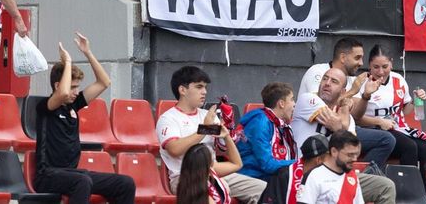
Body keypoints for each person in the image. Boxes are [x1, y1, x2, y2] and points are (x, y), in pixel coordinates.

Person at [35, 33, 135, 204]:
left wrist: (87, 53)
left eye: (77, 87)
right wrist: (67, 62)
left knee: (125, 183)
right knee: (82, 182)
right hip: (47, 175)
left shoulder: (74, 105)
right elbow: (64, 93)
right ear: (58, 85)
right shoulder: (46, 106)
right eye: (73, 87)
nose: (75, 92)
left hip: (72, 174)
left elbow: (104, 82)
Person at [158, 66, 267, 204]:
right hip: (185, 177)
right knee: (219, 187)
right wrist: (205, 129)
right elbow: (174, 149)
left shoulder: (208, 116)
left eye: (205, 87)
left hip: (214, 171)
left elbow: (225, 152)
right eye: (199, 87)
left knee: (263, 189)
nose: (204, 92)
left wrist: (227, 136)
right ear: (182, 90)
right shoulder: (168, 118)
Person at [358, 46, 426, 169]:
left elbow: (404, 111)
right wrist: (379, 122)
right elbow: (356, 118)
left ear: (391, 64)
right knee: (409, 146)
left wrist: (415, 101)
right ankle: (406, 187)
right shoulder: (362, 83)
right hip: (373, 130)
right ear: (369, 66)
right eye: (376, 67)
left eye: (385, 67)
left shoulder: (398, 79)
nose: (381, 72)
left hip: (398, 128)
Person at [299, 131, 394, 204]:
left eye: (356, 154)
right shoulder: (314, 176)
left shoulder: (352, 177)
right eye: (350, 155)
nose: (354, 159)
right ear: (334, 151)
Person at [238, 83, 301, 190]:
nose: (294, 104)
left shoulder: (280, 124)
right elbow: (267, 164)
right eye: (292, 99)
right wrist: (301, 163)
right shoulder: (261, 124)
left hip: (270, 178)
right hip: (253, 177)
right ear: (281, 103)